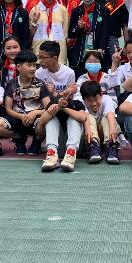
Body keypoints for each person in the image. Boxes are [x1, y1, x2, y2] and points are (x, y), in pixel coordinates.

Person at [35, 40, 87, 172]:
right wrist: (55, 95)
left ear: (54, 58)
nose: (40, 61)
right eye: (39, 57)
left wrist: (59, 94)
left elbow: (70, 97)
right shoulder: (39, 73)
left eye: (43, 57)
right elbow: (45, 103)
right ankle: (51, 153)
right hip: (50, 109)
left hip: (68, 107)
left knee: (74, 119)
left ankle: (71, 153)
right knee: (51, 118)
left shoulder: (69, 73)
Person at [1, 49, 51, 155]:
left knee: (47, 120)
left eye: (34, 65)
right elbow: (8, 109)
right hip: (18, 118)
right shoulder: (11, 84)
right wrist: (21, 117)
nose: (33, 68)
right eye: (29, 65)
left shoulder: (40, 84)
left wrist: (35, 113)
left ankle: (37, 142)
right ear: (18, 67)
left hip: (36, 119)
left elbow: (48, 108)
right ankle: (19, 138)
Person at [78, 80, 121, 164]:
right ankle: (92, 146)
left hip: (106, 134)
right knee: (88, 117)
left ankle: (111, 146)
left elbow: (110, 113)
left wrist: (112, 129)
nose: (94, 104)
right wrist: (88, 130)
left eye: (96, 99)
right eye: (89, 100)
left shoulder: (107, 99)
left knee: (108, 119)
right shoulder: (80, 102)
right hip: (89, 136)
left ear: (101, 95)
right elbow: (85, 116)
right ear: (83, 99)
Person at [32, 0, 72, 64]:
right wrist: (34, 21)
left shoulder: (62, 9)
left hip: (58, 52)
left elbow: (65, 33)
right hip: (40, 50)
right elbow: (31, 33)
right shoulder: (35, 9)